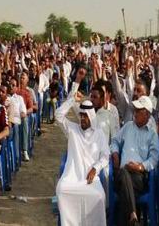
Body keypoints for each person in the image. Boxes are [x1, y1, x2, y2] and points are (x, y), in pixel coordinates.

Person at [55, 95, 109, 226]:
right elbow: (58, 115)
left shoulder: (99, 133)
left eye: (85, 116)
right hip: (72, 178)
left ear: (91, 116)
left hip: (91, 179)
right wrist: (72, 100)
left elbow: (105, 156)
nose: (82, 119)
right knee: (62, 190)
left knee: (100, 197)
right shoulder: (72, 129)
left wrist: (95, 168)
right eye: (81, 115)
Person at [110, 95, 159, 226]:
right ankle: (133, 214)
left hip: (138, 176)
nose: (135, 113)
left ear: (147, 115)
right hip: (121, 173)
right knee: (124, 172)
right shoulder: (127, 126)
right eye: (135, 110)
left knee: (123, 192)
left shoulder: (152, 134)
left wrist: (140, 167)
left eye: (138, 110)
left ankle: (132, 215)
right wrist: (115, 153)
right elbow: (114, 141)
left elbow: (154, 159)